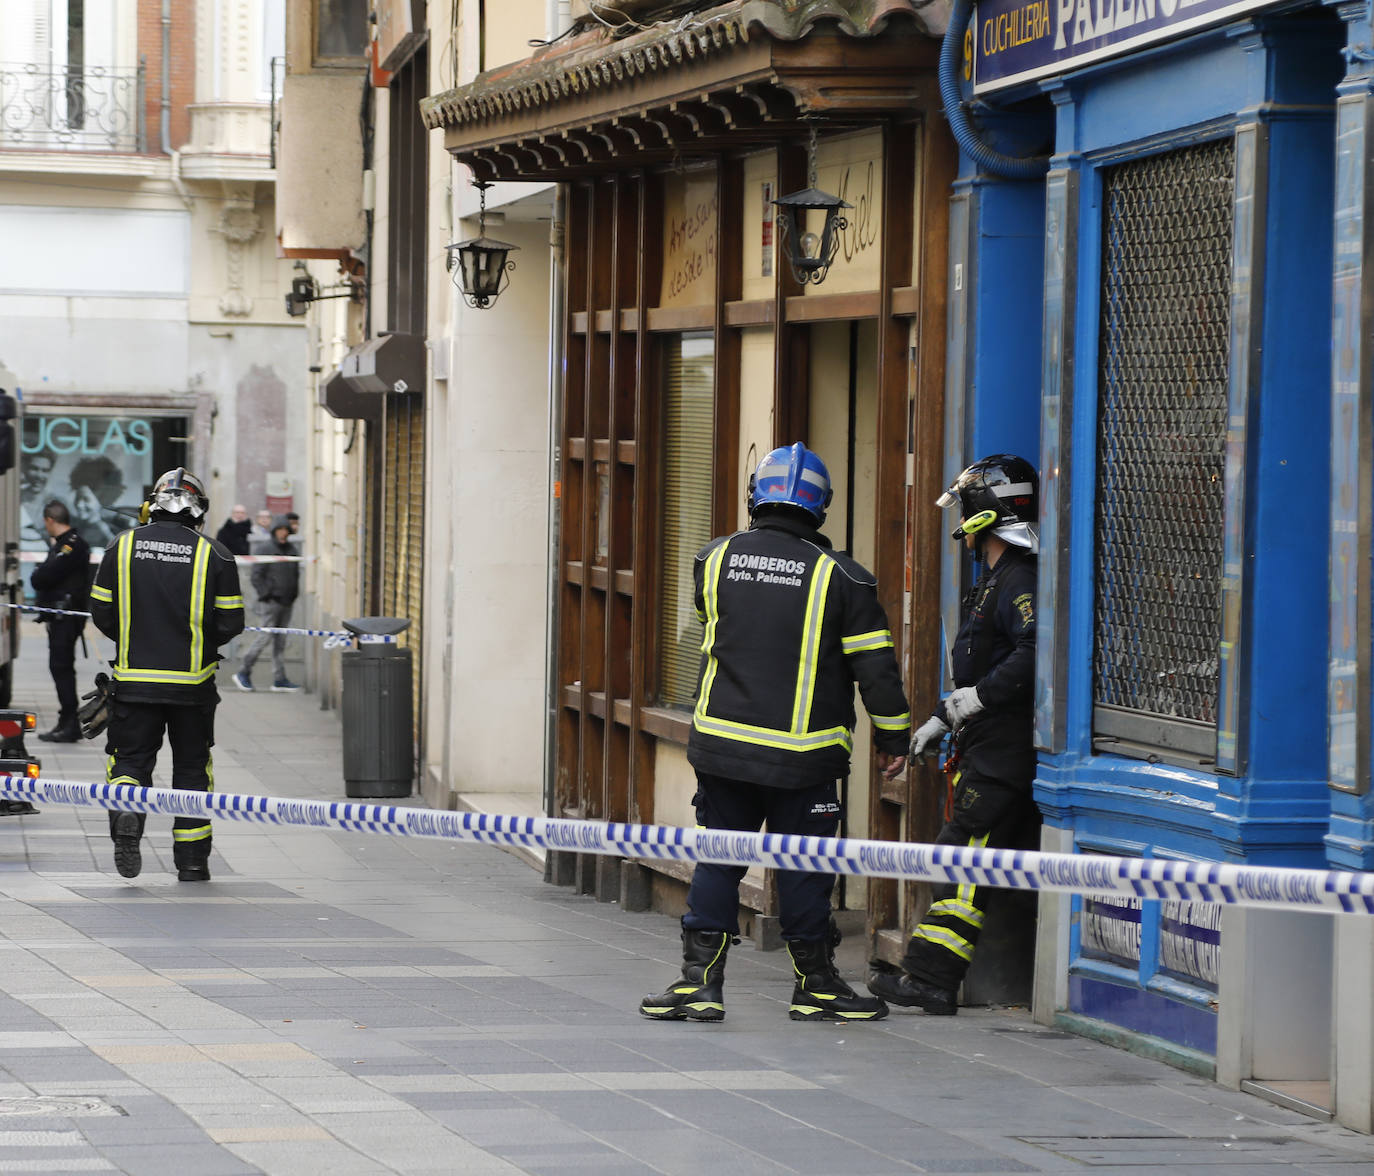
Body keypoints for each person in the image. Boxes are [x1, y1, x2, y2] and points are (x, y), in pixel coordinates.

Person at [640, 443, 910, 1024]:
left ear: (755, 497)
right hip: (804, 759)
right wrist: (895, 739)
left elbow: (716, 634)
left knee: (719, 858)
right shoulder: (846, 579)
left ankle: (698, 985)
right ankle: (816, 986)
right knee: (804, 868)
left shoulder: (713, 560)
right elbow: (876, 672)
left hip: (721, 747)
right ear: (822, 507)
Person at [868, 454, 1040, 1016]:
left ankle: (931, 979)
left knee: (965, 858)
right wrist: (946, 716)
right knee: (962, 853)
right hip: (985, 744)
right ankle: (929, 974)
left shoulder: (1018, 578)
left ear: (984, 515)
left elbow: (1032, 652)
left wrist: (974, 700)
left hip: (1003, 752)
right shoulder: (995, 578)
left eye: (966, 507)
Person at [88, 468, 245, 881]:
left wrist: (132, 638)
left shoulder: (119, 547)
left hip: (134, 683)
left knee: (130, 762)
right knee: (192, 771)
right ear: (198, 510)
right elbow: (231, 623)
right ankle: (192, 863)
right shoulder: (217, 554)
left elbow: (101, 611)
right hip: (192, 688)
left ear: (152, 506)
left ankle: (127, 817)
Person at [30, 500, 90, 743]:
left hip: (65, 617)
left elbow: (44, 576)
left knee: (62, 668)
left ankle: (70, 723)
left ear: (49, 521)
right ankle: (66, 720)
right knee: (60, 668)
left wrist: (37, 575)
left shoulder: (71, 545)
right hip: (60, 616)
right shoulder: (66, 544)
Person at [232, 516, 301, 693]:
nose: (283, 533)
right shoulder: (266, 548)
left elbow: (295, 574)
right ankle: (243, 671)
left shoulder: (292, 549)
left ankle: (279, 678)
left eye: (286, 530)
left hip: (287, 602)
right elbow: (256, 575)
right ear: (275, 531)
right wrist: (266, 593)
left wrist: (293, 594)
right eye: (280, 530)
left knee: (281, 641)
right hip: (271, 602)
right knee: (264, 637)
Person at [68, 455, 132, 548]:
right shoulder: (72, 527)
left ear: (103, 499)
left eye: (86, 499)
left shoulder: (120, 527)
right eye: (77, 498)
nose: (79, 505)